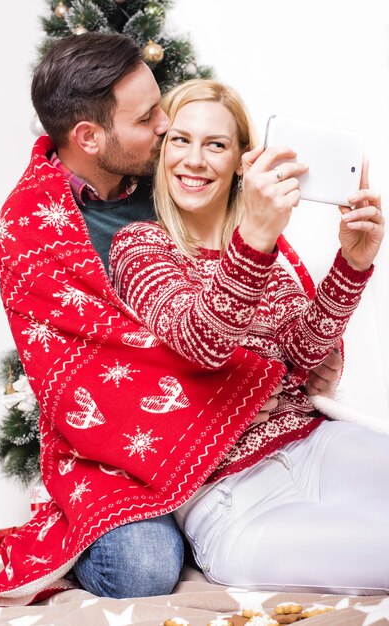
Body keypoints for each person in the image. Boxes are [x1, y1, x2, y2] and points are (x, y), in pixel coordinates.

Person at [0, 33, 340, 607]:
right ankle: (126, 525)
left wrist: (315, 343)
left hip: (228, 423)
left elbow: (244, 287)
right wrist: (233, 394)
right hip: (110, 444)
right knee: (143, 569)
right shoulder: (31, 231)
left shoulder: (169, 173)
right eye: (148, 118)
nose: (168, 125)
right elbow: (79, 377)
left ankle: (203, 508)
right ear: (91, 137)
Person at [109, 79, 388, 594]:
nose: (194, 160)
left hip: (315, 445)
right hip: (229, 496)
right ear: (161, 149)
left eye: (215, 144)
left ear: (242, 160)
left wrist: (352, 264)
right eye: (180, 140)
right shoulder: (141, 247)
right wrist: (254, 239)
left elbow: (302, 359)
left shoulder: (274, 251)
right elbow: (201, 342)